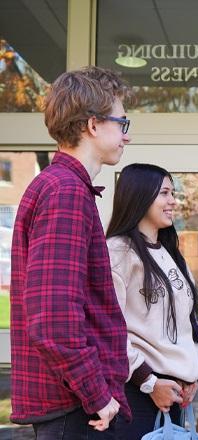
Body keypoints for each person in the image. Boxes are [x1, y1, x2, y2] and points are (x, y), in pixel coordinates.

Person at [10, 66, 133, 438]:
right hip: (75, 410)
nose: (126, 136)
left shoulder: (61, 187)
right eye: (122, 123)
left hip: (73, 405)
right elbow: (53, 319)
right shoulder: (65, 191)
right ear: (93, 125)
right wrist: (98, 395)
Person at [105, 164, 198, 439]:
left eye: (173, 193)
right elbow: (109, 328)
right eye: (164, 193)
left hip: (173, 395)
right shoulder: (118, 250)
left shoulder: (170, 252)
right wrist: (148, 382)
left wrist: (191, 373)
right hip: (138, 394)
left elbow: (190, 322)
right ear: (140, 196)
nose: (173, 201)